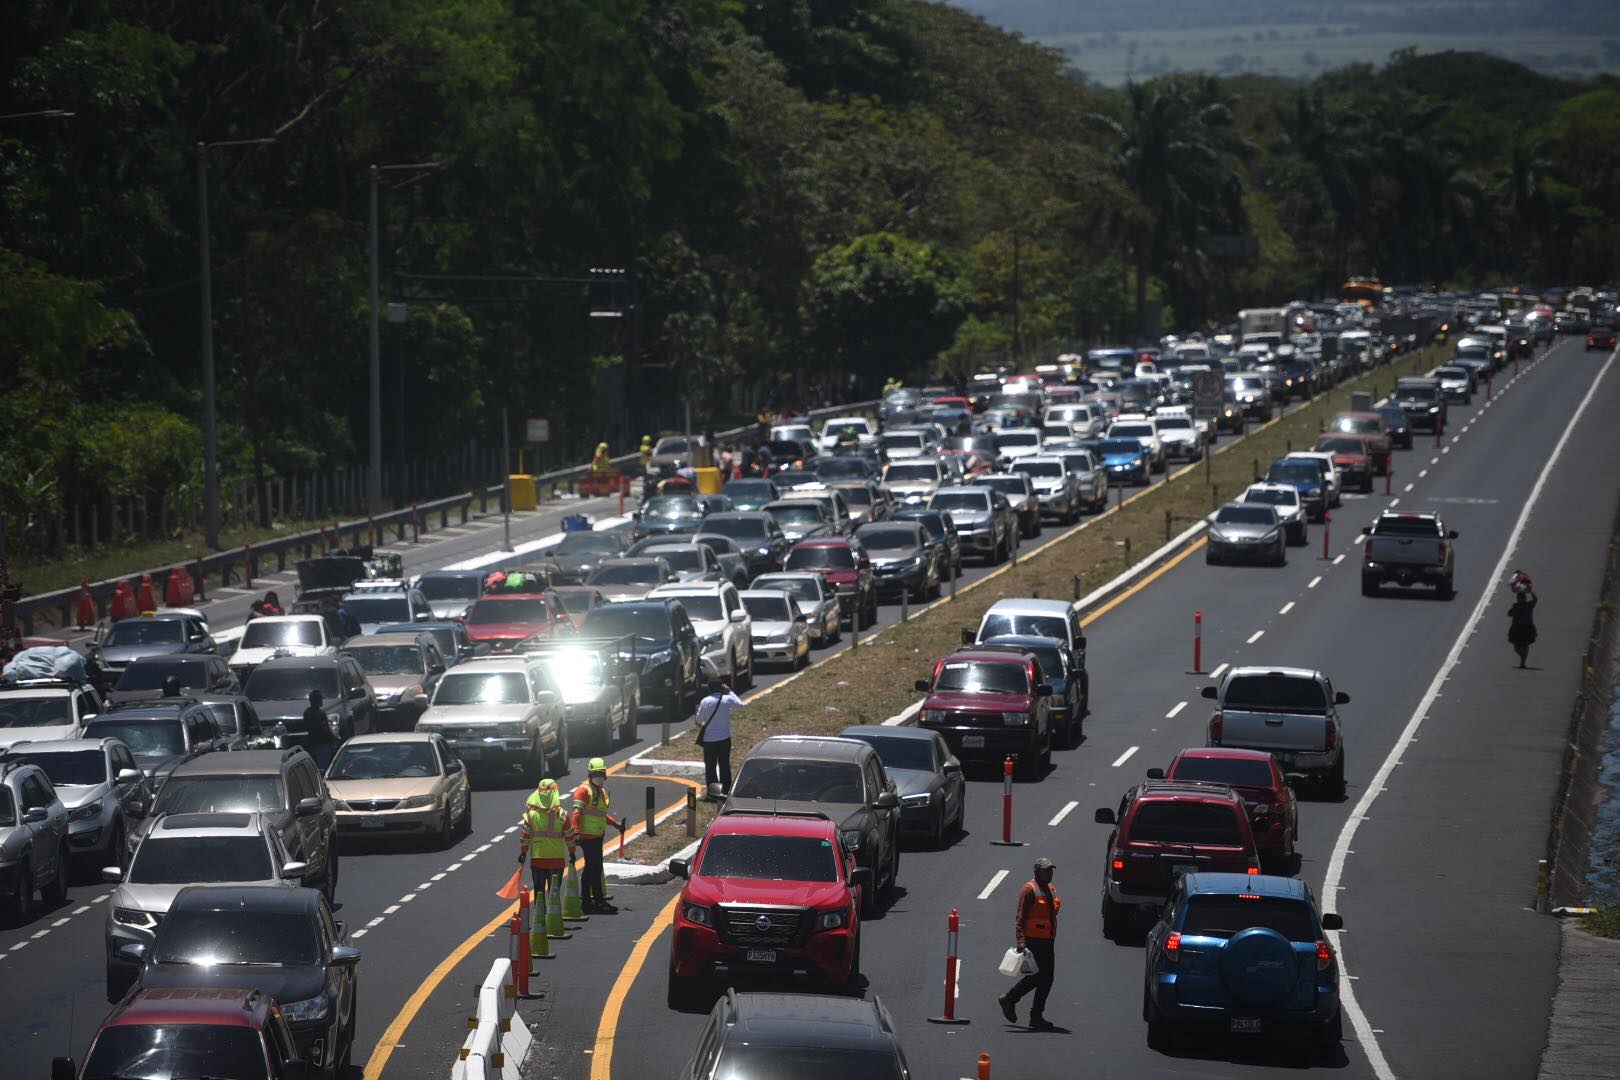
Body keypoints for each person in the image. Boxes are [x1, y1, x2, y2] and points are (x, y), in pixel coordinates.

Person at [999, 857, 1060, 1029]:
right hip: (1033, 942)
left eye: (1050, 870)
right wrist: (1021, 942)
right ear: (1036, 872)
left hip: (1048, 942)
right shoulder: (1029, 890)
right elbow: (1020, 919)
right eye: (1045, 870)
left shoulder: (1051, 889)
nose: (1049, 873)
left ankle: (1035, 1016)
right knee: (1036, 977)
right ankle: (1010, 999)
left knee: (1047, 979)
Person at [518, 778, 570, 948]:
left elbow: (525, 836)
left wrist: (523, 853)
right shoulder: (562, 814)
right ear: (556, 793)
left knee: (539, 892)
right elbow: (569, 836)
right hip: (556, 861)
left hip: (537, 859)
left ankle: (538, 923)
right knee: (553, 893)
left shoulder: (531, 815)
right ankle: (553, 923)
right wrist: (573, 852)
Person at [569, 759, 627, 913]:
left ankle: (588, 901)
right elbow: (576, 813)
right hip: (587, 837)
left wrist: (616, 825)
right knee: (594, 868)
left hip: (597, 836)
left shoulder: (599, 790)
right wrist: (575, 833)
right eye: (595, 774)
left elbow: (601, 814)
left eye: (601, 773)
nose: (599, 776)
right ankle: (597, 901)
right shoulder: (583, 791)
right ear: (589, 774)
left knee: (591, 868)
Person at [694, 681, 744, 798]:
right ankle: (726, 790)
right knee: (724, 765)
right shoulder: (726, 699)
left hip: (709, 740)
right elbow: (741, 704)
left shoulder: (705, 701)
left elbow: (698, 719)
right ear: (721, 688)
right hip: (724, 739)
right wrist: (730, 691)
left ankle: (713, 793)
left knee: (710, 766)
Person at [1508, 570, 1538, 668]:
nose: (1521, 599)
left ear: (1524, 598)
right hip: (1516, 627)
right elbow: (1509, 614)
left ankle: (1523, 662)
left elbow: (1535, 599)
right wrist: (1515, 611)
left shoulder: (1529, 605)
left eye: (1522, 598)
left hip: (1526, 627)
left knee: (1525, 645)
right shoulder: (1516, 606)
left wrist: (1530, 591)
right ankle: (1522, 658)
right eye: (1519, 598)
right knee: (1516, 647)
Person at [302, 689, 336, 771]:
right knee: (325, 767)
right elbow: (325, 729)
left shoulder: (306, 713)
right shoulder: (320, 713)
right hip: (322, 743)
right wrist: (333, 738)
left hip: (311, 742)